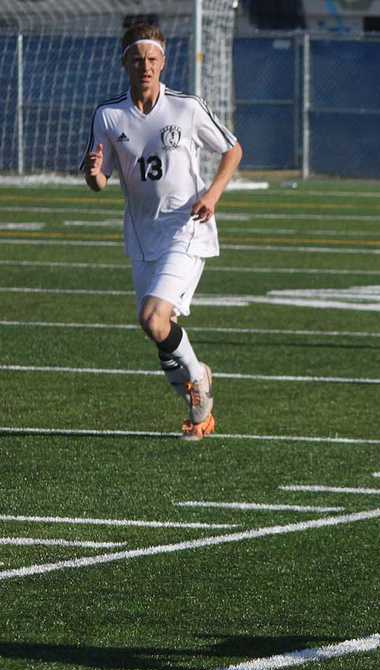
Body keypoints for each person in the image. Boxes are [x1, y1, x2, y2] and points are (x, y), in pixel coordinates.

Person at [81, 22, 243, 440]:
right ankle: (195, 399)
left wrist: (212, 194)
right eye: (138, 60)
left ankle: (199, 381)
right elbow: (99, 180)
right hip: (141, 236)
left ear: (164, 62)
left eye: (153, 59)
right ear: (125, 64)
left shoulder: (186, 107)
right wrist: (94, 174)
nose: (146, 67)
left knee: (153, 318)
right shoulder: (109, 115)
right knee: (156, 327)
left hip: (187, 227)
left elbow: (232, 149)